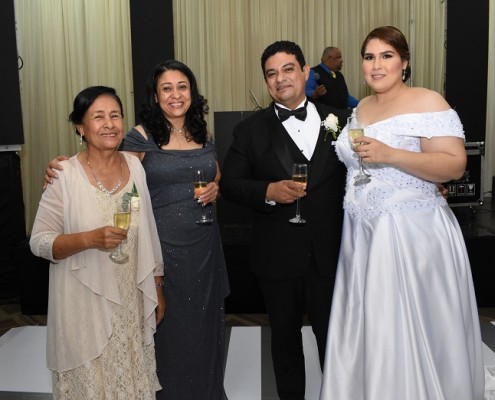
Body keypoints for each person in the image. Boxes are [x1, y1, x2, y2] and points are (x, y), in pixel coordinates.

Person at [44, 61, 229, 400]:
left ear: (193, 92)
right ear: (156, 97)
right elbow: (110, 172)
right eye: (167, 88)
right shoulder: (140, 137)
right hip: (164, 250)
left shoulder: (205, 133)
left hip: (204, 248)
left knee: (205, 329)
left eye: (183, 86)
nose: (176, 94)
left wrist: (215, 188)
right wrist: (62, 170)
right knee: (170, 332)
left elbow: (213, 173)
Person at [319, 26, 484, 400]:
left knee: (408, 327)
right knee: (375, 329)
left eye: (387, 56)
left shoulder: (427, 101)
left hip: (410, 236)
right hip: (363, 236)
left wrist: (392, 155)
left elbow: (455, 165)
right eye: (369, 56)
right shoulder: (360, 107)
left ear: (405, 63)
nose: (376, 65)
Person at [219, 40, 347, 400]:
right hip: (276, 258)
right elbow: (230, 185)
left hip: (330, 254)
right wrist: (268, 192)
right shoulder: (250, 130)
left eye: (288, 69)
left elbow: (361, 173)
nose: (280, 79)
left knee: (336, 342)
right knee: (285, 344)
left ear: (306, 71)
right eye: (271, 74)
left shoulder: (338, 119)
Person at [30, 86, 165, 399]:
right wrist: (89, 239)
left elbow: (146, 228)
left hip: (129, 293)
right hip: (83, 302)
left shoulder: (134, 168)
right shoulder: (64, 174)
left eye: (115, 115)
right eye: (98, 117)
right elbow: (39, 241)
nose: (109, 124)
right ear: (80, 127)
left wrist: (157, 286)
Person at [305, 46, 359, 111]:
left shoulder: (339, 75)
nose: (342, 60)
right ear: (329, 59)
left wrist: (361, 104)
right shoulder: (313, 73)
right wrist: (315, 94)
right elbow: (305, 92)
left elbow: (345, 97)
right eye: (338, 57)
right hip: (324, 118)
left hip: (343, 117)